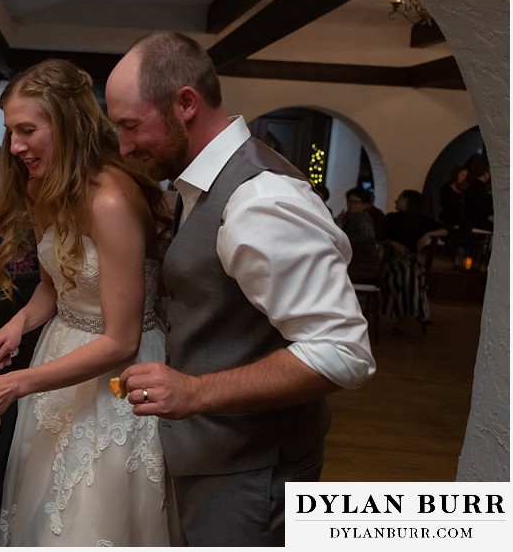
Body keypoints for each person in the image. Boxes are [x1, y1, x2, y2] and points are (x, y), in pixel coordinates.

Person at [105, 31, 375, 547]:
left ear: (185, 103)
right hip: (219, 462)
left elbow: (343, 352)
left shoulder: (259, 199)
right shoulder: (200, 182)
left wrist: (195, 391)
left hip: (252, 478)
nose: (124, 146)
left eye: (131, 126)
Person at [0, 59, 172, 546]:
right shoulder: (42, 188)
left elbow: (122, 339)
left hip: (119, 374)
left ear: (68, 121)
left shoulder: (112, 200)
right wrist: (18, 325)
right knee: (41, 505)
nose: (15, 146)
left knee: (89, 517)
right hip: (58, 358)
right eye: (11, 131)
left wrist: (16, 383)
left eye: (28, 130)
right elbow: (58, 284)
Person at [380, 190, 448, 330]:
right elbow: (382, 238)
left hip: (409, 259)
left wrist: (428, 234)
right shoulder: (391, 218)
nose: (396, 201)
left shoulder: (420, 220)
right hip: (391, 260)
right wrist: (393, 243)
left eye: (399, 198)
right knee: (411, 276)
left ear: (407, 201)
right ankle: (421, 312)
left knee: (412, 275)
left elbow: (446, 230)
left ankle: (404, 318)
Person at [438, 165, 468, 229]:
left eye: (465, 176)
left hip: (459, 221)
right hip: (447, 219)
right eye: (462, 175)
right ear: (456, 174)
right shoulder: (445, 188)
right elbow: (443, 203)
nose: (464, 178)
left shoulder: (464, 190)